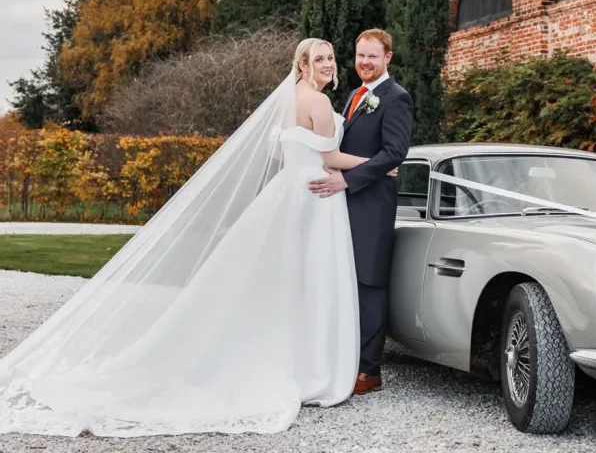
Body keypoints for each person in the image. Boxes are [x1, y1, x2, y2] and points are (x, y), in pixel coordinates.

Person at [0, 38, 371, 437]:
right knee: (309, 279)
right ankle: (309, 367)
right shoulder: (318, 102)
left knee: (284, 281)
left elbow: (279, 151)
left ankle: (283, 358)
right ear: (303, 65)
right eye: (320, 59)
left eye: (330, 58)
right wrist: (380, 164)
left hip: (288, 190)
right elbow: (331, 158)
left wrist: (305, 160)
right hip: (317, 193)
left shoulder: (287, 99)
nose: (328, 64)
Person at [308, 28, 413, 395]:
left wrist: (348, 180)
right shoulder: (355, 95)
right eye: (360, 55)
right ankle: (345, 360)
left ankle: (369, 371)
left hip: (372, 205)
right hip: (343, 203)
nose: (365, 62)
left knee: (369, 284)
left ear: (388, 57)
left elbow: (395, 152)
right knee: (345, 281)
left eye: (373, 56)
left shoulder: (396, 97)